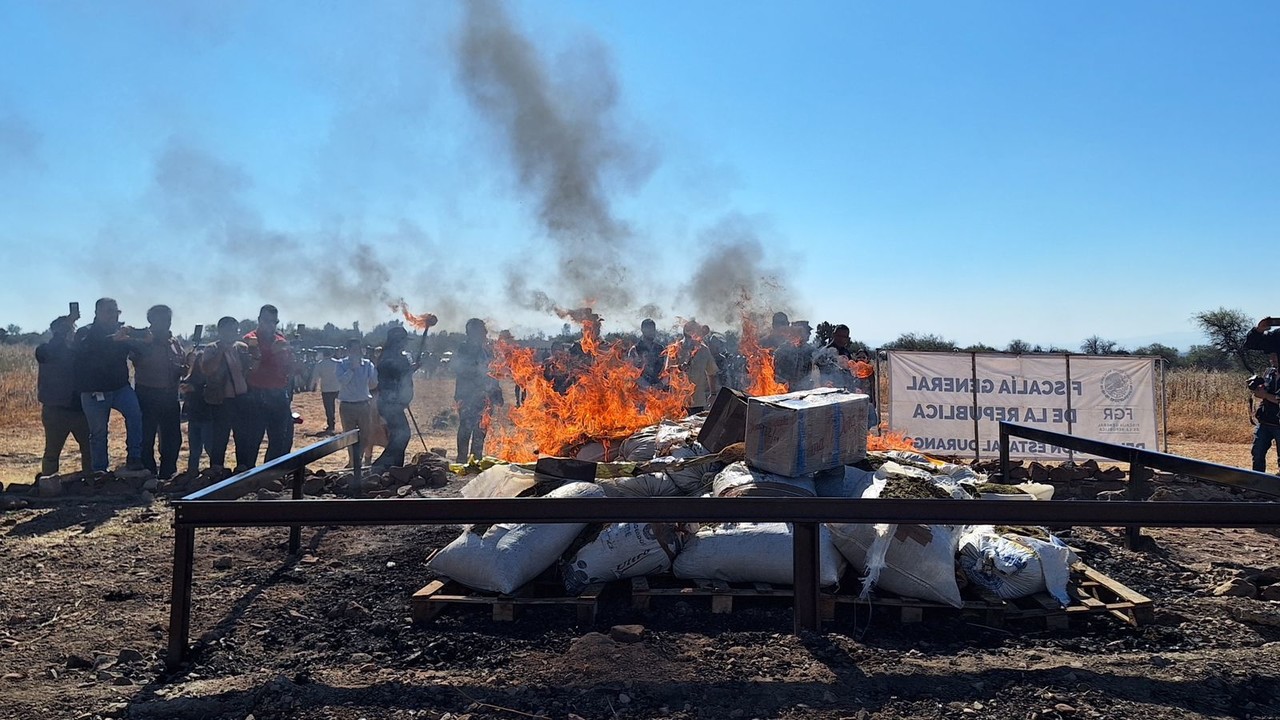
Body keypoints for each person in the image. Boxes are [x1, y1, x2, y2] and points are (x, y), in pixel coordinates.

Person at [73, 298, 145, 475]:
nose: (113, 315)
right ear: (97, 312)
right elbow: (84, 348)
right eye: (109, 311)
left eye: (116, 311)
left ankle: (134, 457)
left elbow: (139, 350)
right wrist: (113, 339)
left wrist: (141, 338)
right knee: (98, 433)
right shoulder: (86, 332)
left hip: (120, 387)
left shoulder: (121, 332)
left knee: (135, 416)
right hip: (94, 391)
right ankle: (100, 470)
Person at [132, 305, 186, 479]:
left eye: (168, 319)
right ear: (151, 320)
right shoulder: (142, 340)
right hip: (147, 395)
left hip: (170, 395)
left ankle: (168, 473)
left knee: (172, 438)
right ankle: (148, 473)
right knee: (146, 438)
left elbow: (179, 363)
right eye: (162, 319)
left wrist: (183, 370)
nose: (166, 323)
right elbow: (136, 361)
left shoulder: (175, 342)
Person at [240, 304, 295, 468]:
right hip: (256, 395)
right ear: (259, 320)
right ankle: (247, 476)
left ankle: (272, 474)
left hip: (278, 394)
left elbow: (290, 367)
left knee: (282, 439)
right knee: (252, 439)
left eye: (274, 322)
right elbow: (249, 367)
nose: (270, 325)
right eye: (266, 321)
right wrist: (271, 351)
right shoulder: (250, 340)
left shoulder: (281, 340)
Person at [35, 315, 90, 478]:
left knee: (89, 450)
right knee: (52, 451)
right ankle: (48, 484)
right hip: (56, 410)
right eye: (67, 329)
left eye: (71, 329)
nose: (70, 332)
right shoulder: (46, 350)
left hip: (80, 409)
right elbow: (52, 351)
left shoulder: (78, 351)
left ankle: (91, 483)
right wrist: (66, 327)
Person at [199, 316, 251, 470]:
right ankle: (216, 468)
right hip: (221, 400)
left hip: (241, 398)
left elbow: (249, 369)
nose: (233, 333)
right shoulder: (212, 349)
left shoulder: (242, 348)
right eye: (229, 330)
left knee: (242, 436)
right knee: (220, 437)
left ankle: (242, 467)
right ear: (220, 331)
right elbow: (208, 370)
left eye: (235, 330)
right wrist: (221, 352)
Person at [454, 318, 502, 462]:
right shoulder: (464, 349)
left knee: (481, 428)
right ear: (472, 332)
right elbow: (462, 370)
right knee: (466, 426)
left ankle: (476, 457)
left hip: (485, 396)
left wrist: (496, 389)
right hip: (467, 395)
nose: (485, 333)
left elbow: (493, 371)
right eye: (482, 330)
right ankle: (462, 458)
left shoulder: (487, 351)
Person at [372, 326, 420, 470]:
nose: (405, 343)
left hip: (396, 403)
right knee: (403, 435)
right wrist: (410, 369)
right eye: (402, 341)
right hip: (389, 403)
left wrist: (410, 369)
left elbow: (402, 376)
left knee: (399, 436)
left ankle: (395, 467)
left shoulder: (399, 357)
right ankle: (381, 465)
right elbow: (391, 375)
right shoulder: (387, 357)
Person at [335, 337, 378, 468]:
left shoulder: (368, 364)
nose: (356, 352)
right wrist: (352, 369)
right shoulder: (341, 364)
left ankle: (359, 459)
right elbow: (342, 381)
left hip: (364, 404)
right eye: (353, 350)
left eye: (358, 349)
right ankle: (353, 462)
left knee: (365, 435)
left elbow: (373, 383)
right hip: (347, 405)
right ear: (347, 351)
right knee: (350, 436)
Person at [667, 320, 719, 414]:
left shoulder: (704, 350)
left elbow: (711, 373)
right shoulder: (674, 349)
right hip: (677, 401)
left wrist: (713, 393)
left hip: (697, 401)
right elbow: (667, 370)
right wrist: (679, 368)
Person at [1249, 353, 1280, 473]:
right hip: (1264, 420)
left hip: (1278, 423)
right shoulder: (1269, 372)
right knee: (1257, 453)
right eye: (1271, 356)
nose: (1272, 359)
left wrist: (1265, 395)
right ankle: (1257, 484)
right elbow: (1263, 392)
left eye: (1276, 356)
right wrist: (1257, 388)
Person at [773, 320, 815, 391]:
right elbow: (774, 373)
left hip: (804, 390)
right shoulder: (782, 350)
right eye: (807, 331)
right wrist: (786, 383)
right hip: (785, 391)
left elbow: (822, 362)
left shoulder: (810, 350)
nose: (810, 334)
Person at [629, 318, 666, 389]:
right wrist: (647, 387)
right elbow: (632, 372)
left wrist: (661, 384)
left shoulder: (660, 349)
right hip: (640, 391)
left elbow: (665, 370)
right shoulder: (635, 350)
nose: (652, 332)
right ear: (642, 330)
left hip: (658, 391)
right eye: (649, 329)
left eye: (653, 329)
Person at [314, 347, 341, 435]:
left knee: (329, 408)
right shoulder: (338, 363)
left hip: (326, 389)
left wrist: (312, 386)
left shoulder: (320, 364)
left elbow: (315, 376)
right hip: (337, 387)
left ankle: (331, 425)